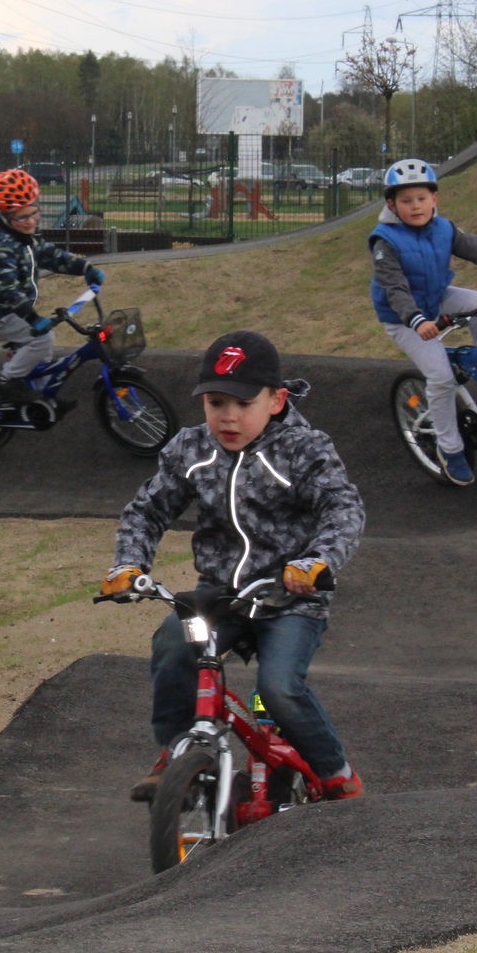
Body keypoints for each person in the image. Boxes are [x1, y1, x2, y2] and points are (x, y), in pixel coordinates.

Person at [103, 330, 366, 803]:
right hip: (220, 594)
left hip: (290, 597)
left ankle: (335, 772)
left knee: (279, 687)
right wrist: (128, 564)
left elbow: (342, 509)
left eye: (243, 404)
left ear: (277, 399)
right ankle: (178, 749)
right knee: (173, 643)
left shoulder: (304, 450)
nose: (228, 416)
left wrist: (318, 561)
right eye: (215, 402)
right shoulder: (191, 449)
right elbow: (147, 510)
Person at [367, 158, 477, 486]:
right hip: (404, 318)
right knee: (441, 377)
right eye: (405, 201)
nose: (415, 206)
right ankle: (449, 449)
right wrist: (416, 321)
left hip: (436, 297)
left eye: (421, 198)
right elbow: (395, 288)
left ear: (435, 199)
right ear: (392, 205)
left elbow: (476, 249)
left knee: (476, 301)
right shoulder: (384, 241)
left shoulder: (444, 228)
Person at [0, 168, 104, 407]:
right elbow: (8, 291)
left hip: (16, 309)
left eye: (35, 213)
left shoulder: (24, 234)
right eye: (22, 217)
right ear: (5, 216)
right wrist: (32, 318)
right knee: (43, 339)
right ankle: (9, 382)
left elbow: (48, 254)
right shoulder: (1, 248)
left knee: (42, 353)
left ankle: (41, 401)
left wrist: (84, 267)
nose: (31, 221)